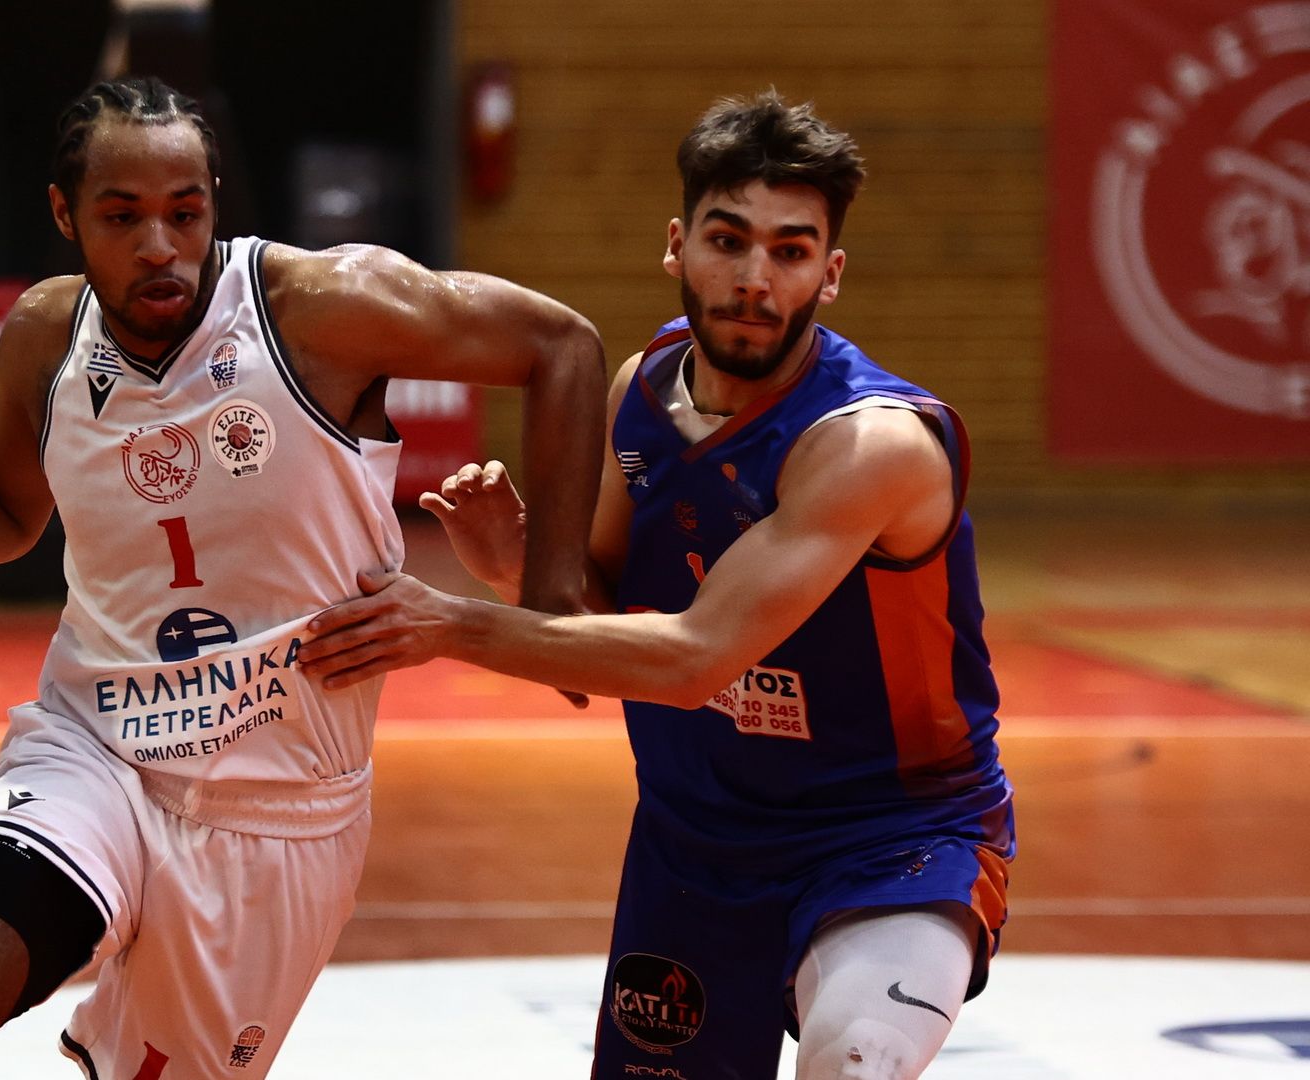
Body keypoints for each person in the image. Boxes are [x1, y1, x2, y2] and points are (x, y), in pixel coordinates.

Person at [0, 76, 605, 1080]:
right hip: (93, 754)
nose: (160, 245)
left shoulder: (322, 310)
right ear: (66, 215)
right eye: (122, 217)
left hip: (280, 813)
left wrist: (553, 607)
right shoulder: (47, 336)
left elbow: (562, 344)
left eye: (185, 212)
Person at [301, 90, 1015, 1080]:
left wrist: (447, 625)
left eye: (790, 251)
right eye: (728, 241)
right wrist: (515, 567)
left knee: (859, 1058)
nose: (754, 278)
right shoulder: (640, 391)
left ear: (830, 273)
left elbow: (689, 662)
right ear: (678, 247)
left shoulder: (868, 445)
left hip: (886, 838)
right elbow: (593, 634)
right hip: (693, 842)